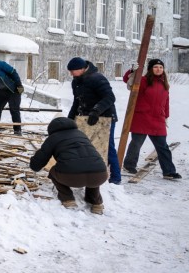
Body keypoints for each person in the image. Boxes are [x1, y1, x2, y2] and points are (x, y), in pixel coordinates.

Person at [30, 117, 108, 214]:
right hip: (100, 175)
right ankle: (96, 203)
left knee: (53, 171)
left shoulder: (53, 138)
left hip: (71, 177)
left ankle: (68, 199)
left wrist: (34, 165)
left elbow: (39, 160)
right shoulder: (81, 134)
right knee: (91, 168)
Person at [122, 59, 181, 179]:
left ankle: (169, 171)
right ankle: (129, 165)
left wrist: (166, 116)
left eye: (160, 67)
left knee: (163, 146)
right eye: (155, 67)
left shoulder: (164, 83)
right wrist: (132, 71)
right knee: (136, 144)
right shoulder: (143, 80)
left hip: (157, 119)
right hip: (142, 117)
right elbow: (128, 81)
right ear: (150, 69)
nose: (158, 69)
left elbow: (166, 102)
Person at [66, 57, 122, 185]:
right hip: (86, 118)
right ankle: (92, 172)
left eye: (72, 71)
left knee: (108, 146)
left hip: (105, 117)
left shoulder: (97, 78)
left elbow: (110, 97)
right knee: (87, 146)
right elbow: (77, 101)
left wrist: (96, 110)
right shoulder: (76, 82)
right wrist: (70, 119)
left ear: (82, 69)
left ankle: (116, 178)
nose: (71, 74)